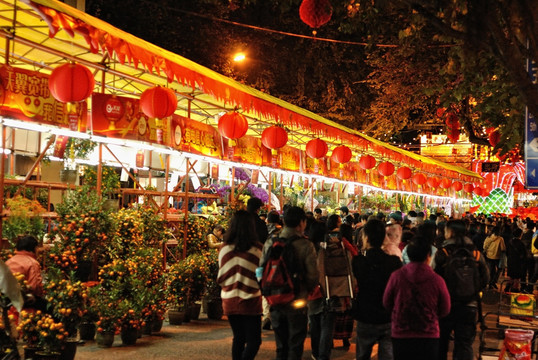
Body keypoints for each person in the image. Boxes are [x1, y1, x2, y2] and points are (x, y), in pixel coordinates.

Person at [383, 235, 451, 360]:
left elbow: (387, 302)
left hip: (401, 333)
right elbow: (445, 308)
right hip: (428, 333)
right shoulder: (437, 280)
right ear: (428, 256)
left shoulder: (396, 276)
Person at [433, 219, 489, 360]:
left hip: (445, 305)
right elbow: (486, 278)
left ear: (450, 232)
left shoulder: (443, 252)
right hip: (469, 305)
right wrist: (472, 289)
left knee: (441, 343)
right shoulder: (475, 253)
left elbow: (433, 277)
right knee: (464, 345)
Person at [268, 206, 319, 360]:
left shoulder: (271, 242)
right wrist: (307, 292)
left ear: (283, 221)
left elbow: (261, 269)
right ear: (302, 223)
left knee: (281, 343)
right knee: (295, 343)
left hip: (275, 299)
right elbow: (313, 275)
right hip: (297, 299)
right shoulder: (305, 245)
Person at [352, 219, 402, 360]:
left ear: (365, 237)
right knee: (387, 355)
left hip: (365, 315)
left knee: (362, 355)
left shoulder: (359, 262)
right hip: (387, 315)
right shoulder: (394, 262)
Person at [217, 210, 263, 360]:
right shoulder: (257, 250)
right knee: (254, 340)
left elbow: (221, 276)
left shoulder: (224, 249)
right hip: (251, 300)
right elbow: (261, 277)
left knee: (239, 337)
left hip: (229, 299)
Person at [6, 235, 46, 311]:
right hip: (23, 302)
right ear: (34, 248)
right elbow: (35, 288)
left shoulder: (9, 261)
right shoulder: (32, 263)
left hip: (6, 299)